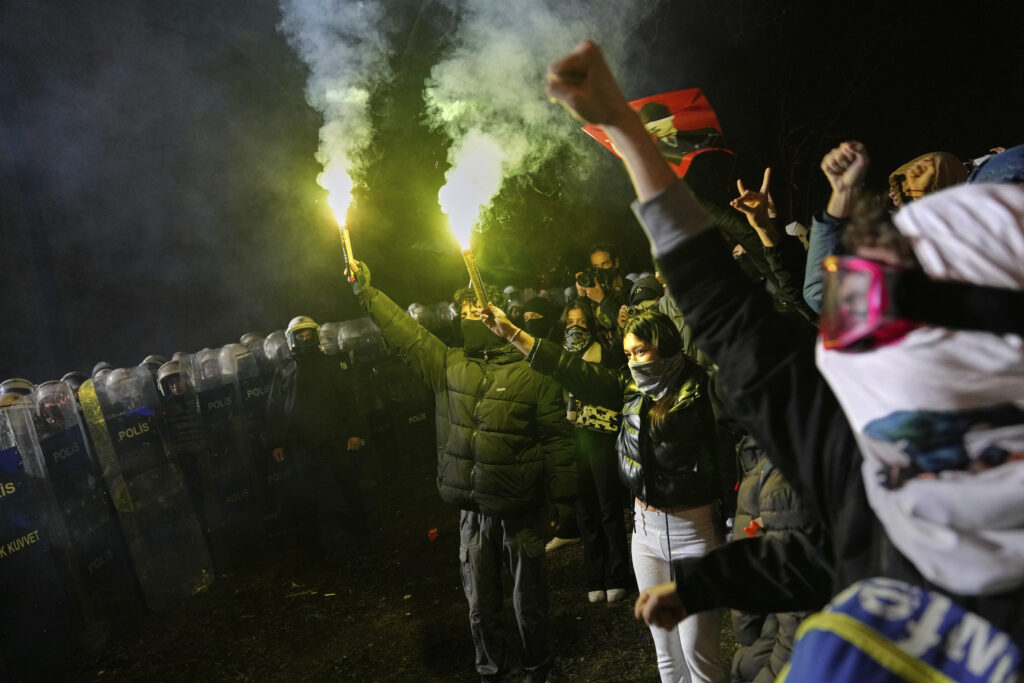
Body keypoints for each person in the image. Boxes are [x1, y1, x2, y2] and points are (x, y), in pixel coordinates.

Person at [545, 40, 1024, 680]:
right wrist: (630, 136)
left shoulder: (876, 459)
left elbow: (733, 316)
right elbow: (730, 317)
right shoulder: (873, 469)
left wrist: (631, 135)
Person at [348, 261, 576, 683]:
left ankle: (539, 670)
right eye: (466, 314)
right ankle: (491, 671)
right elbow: (407, 334)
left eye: (480, 313)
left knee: (530, 601)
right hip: (473, 512)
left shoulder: (533, 372)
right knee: (479, 603)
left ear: (498, 316)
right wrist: (368, 292)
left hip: (520, 510)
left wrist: (563, 500)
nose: (472, 320)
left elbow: (558, 440)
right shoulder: (449, 364)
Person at [482, 305, 727, 683]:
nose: (633, 362)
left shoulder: (704, 391)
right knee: (666, 654)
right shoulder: (629, 388)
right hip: (644, 535)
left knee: (699, 655)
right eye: (628, 354)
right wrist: (514, 333)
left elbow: (735, 454)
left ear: (666, 347)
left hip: (694, 535)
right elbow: (571, 369)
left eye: (641, 351)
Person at [266, 315, 367, 556]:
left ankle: (364, 534)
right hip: (299, 442)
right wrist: (276, 442)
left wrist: (354, 433)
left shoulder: (329, 363)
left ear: (315, 335)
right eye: (299, 335)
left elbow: (346, 399)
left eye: (308, 334)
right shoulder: (284, 369)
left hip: (333, 435)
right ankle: (312, 548)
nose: (304, 339)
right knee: (305, 496)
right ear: (291, 339)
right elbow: (275, 407)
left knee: (349, 486)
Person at [558, 302, 630, 604]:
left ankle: (617, 574)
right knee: (585, 510)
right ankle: (594, 575)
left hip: (600, 438)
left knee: (608, 507)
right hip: (573, 440)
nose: (576, 327)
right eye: (570, 322)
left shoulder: (606, 354)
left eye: (582, 322)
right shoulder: (558, 358)